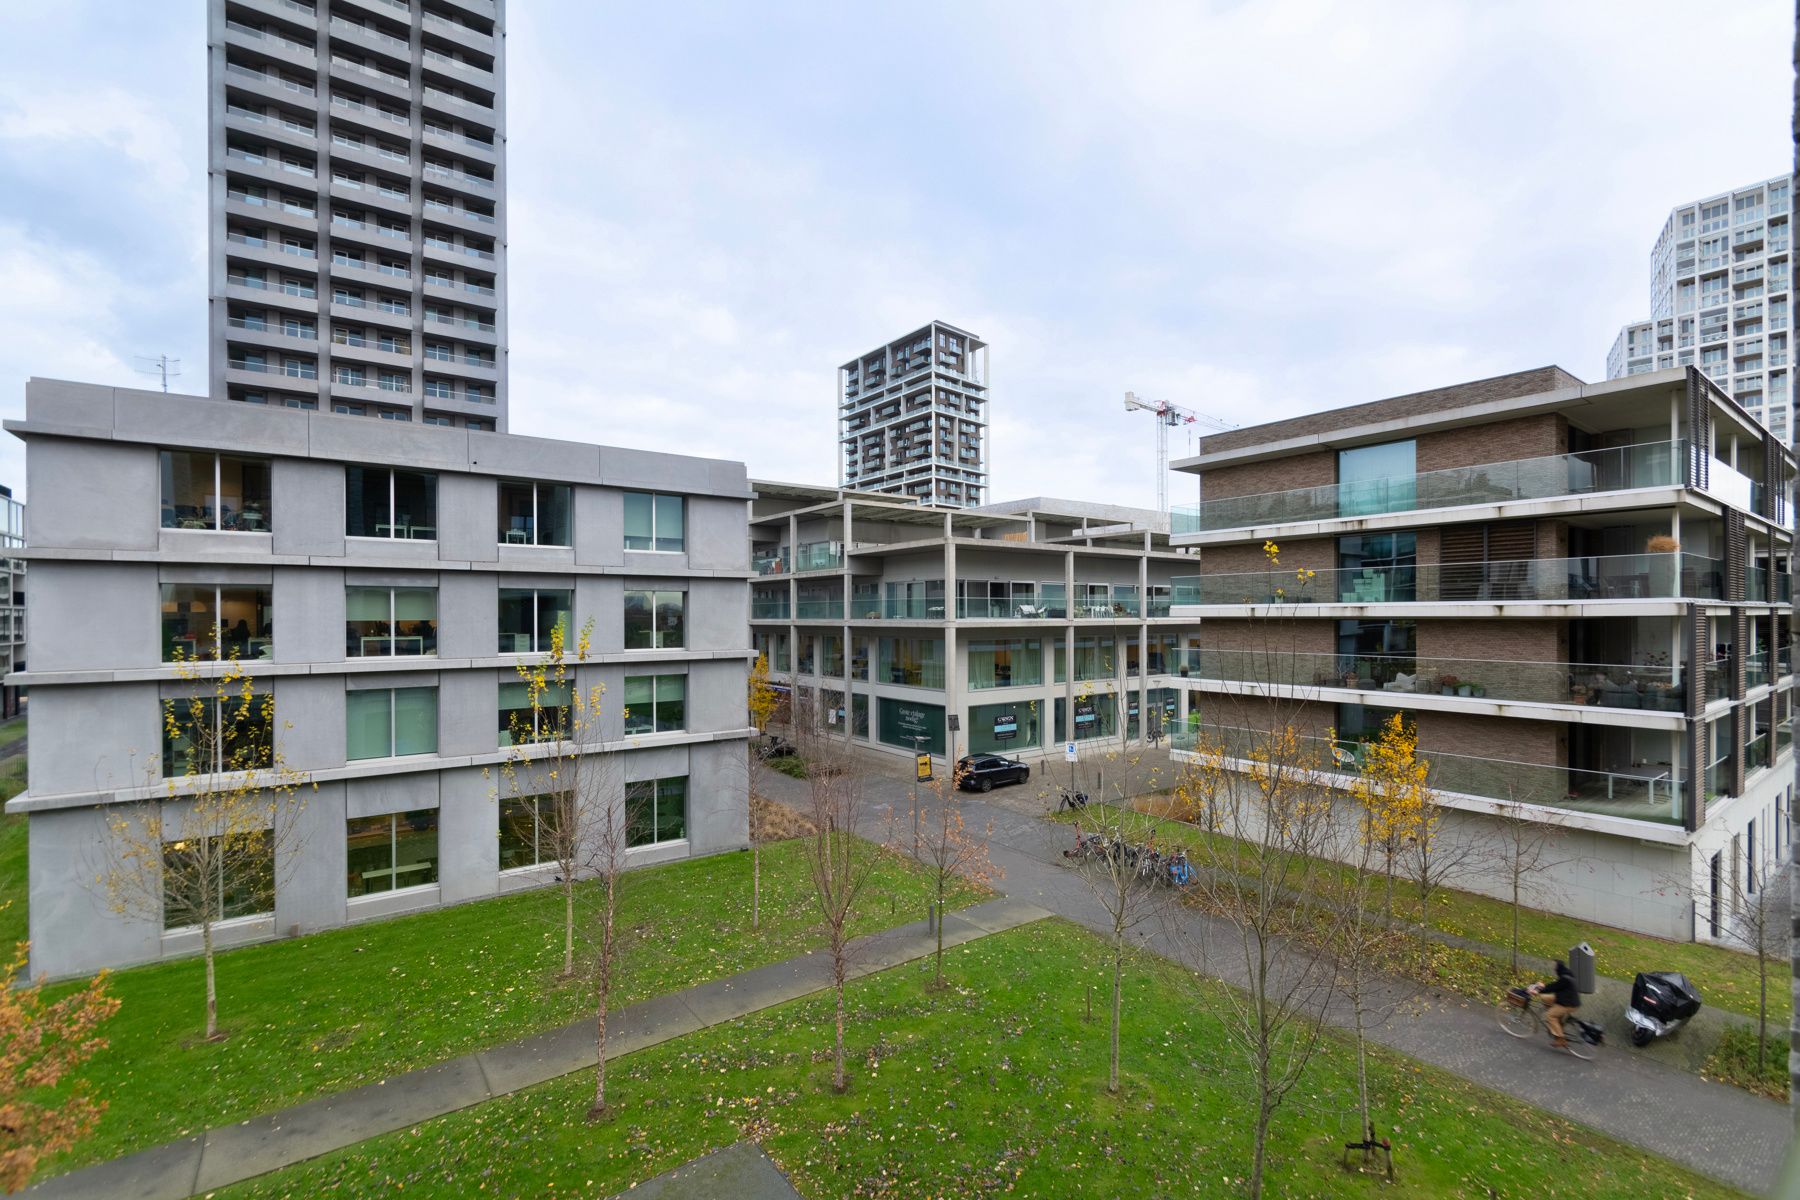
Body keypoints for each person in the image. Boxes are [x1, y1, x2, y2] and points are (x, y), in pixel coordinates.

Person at [1529, 959, 1581, 1047]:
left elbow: (1555, 987)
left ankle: (1561, 1039)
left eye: (1554, 966)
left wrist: (1539, 990)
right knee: (1544, 998)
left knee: (1550, 1016)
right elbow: (1556, 985)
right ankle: (1556, 1021)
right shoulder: (1566, 973)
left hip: (1569, 1004)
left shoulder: (1565, 978)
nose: (1553, 967)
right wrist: (1543, 987)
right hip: (1565, 998)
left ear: (1558, 967)